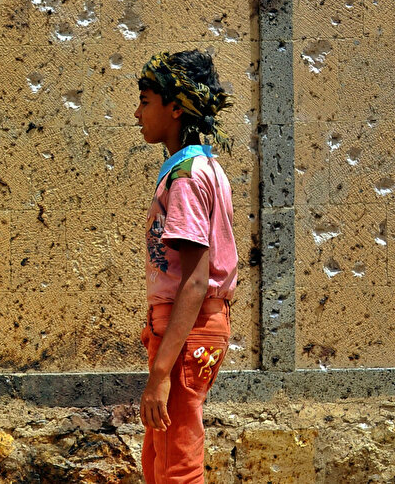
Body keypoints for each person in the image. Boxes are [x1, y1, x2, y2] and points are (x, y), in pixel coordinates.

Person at [133, 50, 238, 483]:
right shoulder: (201, 167)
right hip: (186, 328)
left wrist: (160, 374)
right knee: (158, 459)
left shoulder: (187, 179)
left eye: (145, 100)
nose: (137, 113)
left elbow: (195, 280)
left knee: (177, 466)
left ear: (175, 108)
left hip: (188, 327)